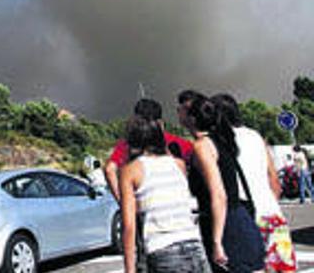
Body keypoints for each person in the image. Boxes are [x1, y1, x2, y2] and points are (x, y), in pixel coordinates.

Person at [105, 98, 194, 273]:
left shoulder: (129, 144)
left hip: (148, 221)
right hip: (185, 228)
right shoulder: (179, 144)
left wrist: (125, 202)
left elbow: (109, 169)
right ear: (160, 121)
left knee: (145, 259)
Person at [214, 93, 297, 273]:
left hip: (246, 217)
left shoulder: (218, 142)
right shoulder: (256, 136)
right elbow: (274, 180)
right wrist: (270, 204)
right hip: (272, 215)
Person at [184, 96, 265, 272]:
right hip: (241, 220)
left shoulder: (203, 146)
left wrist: (217, 241)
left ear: (192, 118)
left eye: (182, 110)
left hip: (228, 227)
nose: (178, 113)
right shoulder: (222, 140)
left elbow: (219, 194)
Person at [120, 116, 210, 273]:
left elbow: (129, 225)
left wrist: (129, 268)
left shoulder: (130, 171)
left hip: (162, 249)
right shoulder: (178, 164)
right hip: (194, 244)